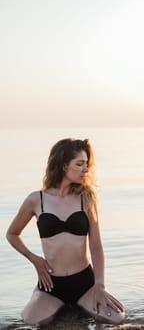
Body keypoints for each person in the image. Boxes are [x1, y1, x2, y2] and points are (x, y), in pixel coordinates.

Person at [6, 138, 125, 326]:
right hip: (51, 285)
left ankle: (77, 312)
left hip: (84, 282)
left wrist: (99, 285)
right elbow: (12, 234)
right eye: (79, 164)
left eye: (86, 164)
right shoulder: (36, 200)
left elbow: (95, 245)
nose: (85, 169)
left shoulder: (86, 198)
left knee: (116, 318)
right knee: (30, 321)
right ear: (63, 165)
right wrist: (34, 259)